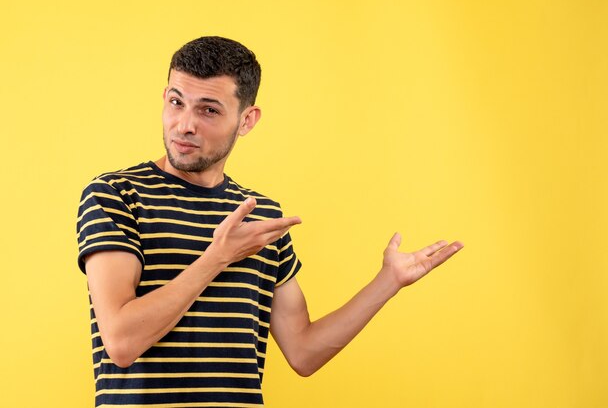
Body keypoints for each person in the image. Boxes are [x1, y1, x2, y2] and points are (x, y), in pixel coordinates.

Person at [76, 36, 464, 407]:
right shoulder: (115, 195)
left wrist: (388, 282)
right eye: (177, 102)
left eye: (209, 109)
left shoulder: (262, 218)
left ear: (247, 120)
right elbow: (122, 342)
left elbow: (304, 352)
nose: (185, 124)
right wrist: (217, 258)